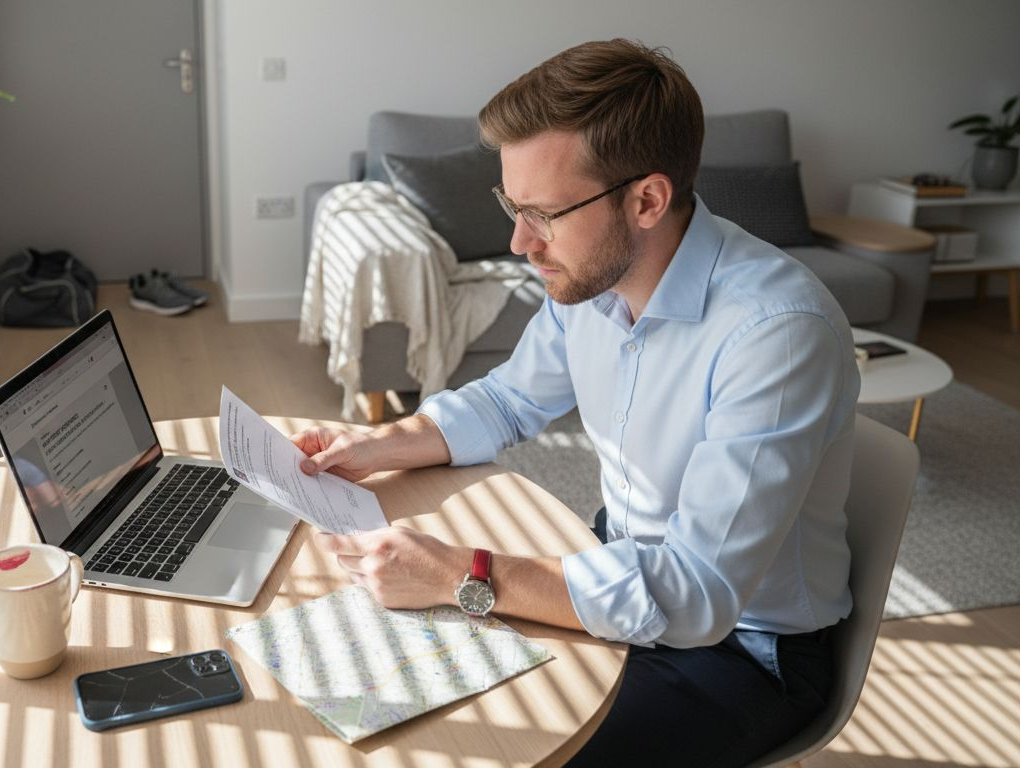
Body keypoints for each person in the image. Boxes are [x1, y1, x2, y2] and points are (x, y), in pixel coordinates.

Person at [292, 38, 858, 767]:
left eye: (542, 213)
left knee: (502, 746)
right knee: (382, 690)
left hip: (743, 652)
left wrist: (462, 574)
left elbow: (696, 594)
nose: (519, 240)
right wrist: (378, 445)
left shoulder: (776, 335)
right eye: (511, 204)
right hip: (621, 568)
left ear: (647, 199)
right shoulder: (590, 284)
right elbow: (507, 400)